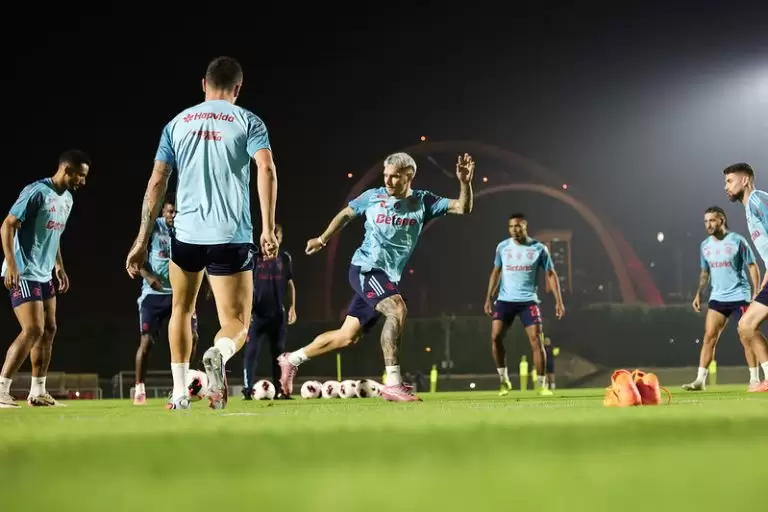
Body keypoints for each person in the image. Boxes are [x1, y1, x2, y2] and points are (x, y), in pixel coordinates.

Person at [125, 56, 279, 410]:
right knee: (236, 322)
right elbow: (266, 168)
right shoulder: (248, 120)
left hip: (187, 236)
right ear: (237, 89)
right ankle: (218, 353)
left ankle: (179, 393)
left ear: (203, 84)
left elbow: (157, 181)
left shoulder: (176, 123)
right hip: (230, 235)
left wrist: (141, 240)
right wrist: (268, 227)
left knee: (181, 308)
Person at [277, 152, 475, 401]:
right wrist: (323, 238)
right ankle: (392, 383)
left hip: (387, 277)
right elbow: (346, 214)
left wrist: (465, 183)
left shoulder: (423, 202)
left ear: (409, 176)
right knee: (397, 309)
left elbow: (463, 207)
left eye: (395, 177)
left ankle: (291, 359)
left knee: (347, 337)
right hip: (365, 269)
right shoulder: (373, 197)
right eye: (386, 176)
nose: (389, 181)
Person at [0, 150, 90, 408]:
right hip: (24, 271)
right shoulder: (36, 191)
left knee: (49, 329)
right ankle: (2, 388)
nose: (83, 182)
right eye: (80, 176)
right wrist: (13, 264)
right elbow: (8, 224)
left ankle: (37, 392)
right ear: (67, 171)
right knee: (33, 329)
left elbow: (55, 234)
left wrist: (58, 265)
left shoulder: (68, 200)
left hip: (44, 272)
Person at [483, 213, 565, 397]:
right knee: (495, 337)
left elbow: (551, 274)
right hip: (505, 300)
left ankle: (542, 385)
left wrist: (559, 301)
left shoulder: (539, 249)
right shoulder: (502, 247)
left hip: (528, 301)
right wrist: (488, 297)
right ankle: (504, 381)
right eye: (511, 226)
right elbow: (495, 272)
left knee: (536, 340)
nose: (515, 230)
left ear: (525, 226)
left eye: (518, 226)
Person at [683, 206, 760, 391]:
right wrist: (699, 292)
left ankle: (755, 380)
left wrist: (756, 292)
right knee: (709, 337)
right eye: (706, 221)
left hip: (740, 295)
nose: (708, 225)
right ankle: (700, 381)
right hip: (717, 298)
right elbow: (705, 272)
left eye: (712, 220)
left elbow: (752, 265)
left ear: (722, 220)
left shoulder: (737, 241)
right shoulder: (705, 245)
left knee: (746, 336)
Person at [133, 201, 200, 405]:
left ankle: (182, 384)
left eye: (177, 212)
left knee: (193, 336)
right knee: (147, 342)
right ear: (163, 212)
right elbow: (137, 259)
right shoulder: (154, 226)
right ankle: (139, 389)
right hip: (153, 295)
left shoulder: (187, 228)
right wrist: (148, 276)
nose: (173, 215)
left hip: (180, 294)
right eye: (170, 211)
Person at [723, 162, 768, 392]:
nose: (726, 186)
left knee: (746, 325)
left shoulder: (758, 199)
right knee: (745, 326)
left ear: (746, 180)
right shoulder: (750, 207)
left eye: (730, 181)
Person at [242, 224, 297, 399]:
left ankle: (281, 390)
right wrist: (246, 310)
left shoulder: (285, 258)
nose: (272, 243)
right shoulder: (254, 258)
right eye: (269, 239)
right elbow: (245, 285)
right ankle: (247, 390)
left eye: (277, 238)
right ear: (263, 239)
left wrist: (292, 307)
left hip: (277, 316)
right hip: (257, 315)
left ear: (280, 240)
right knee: (251, 352)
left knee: (279, 354)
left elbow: (289, 284)